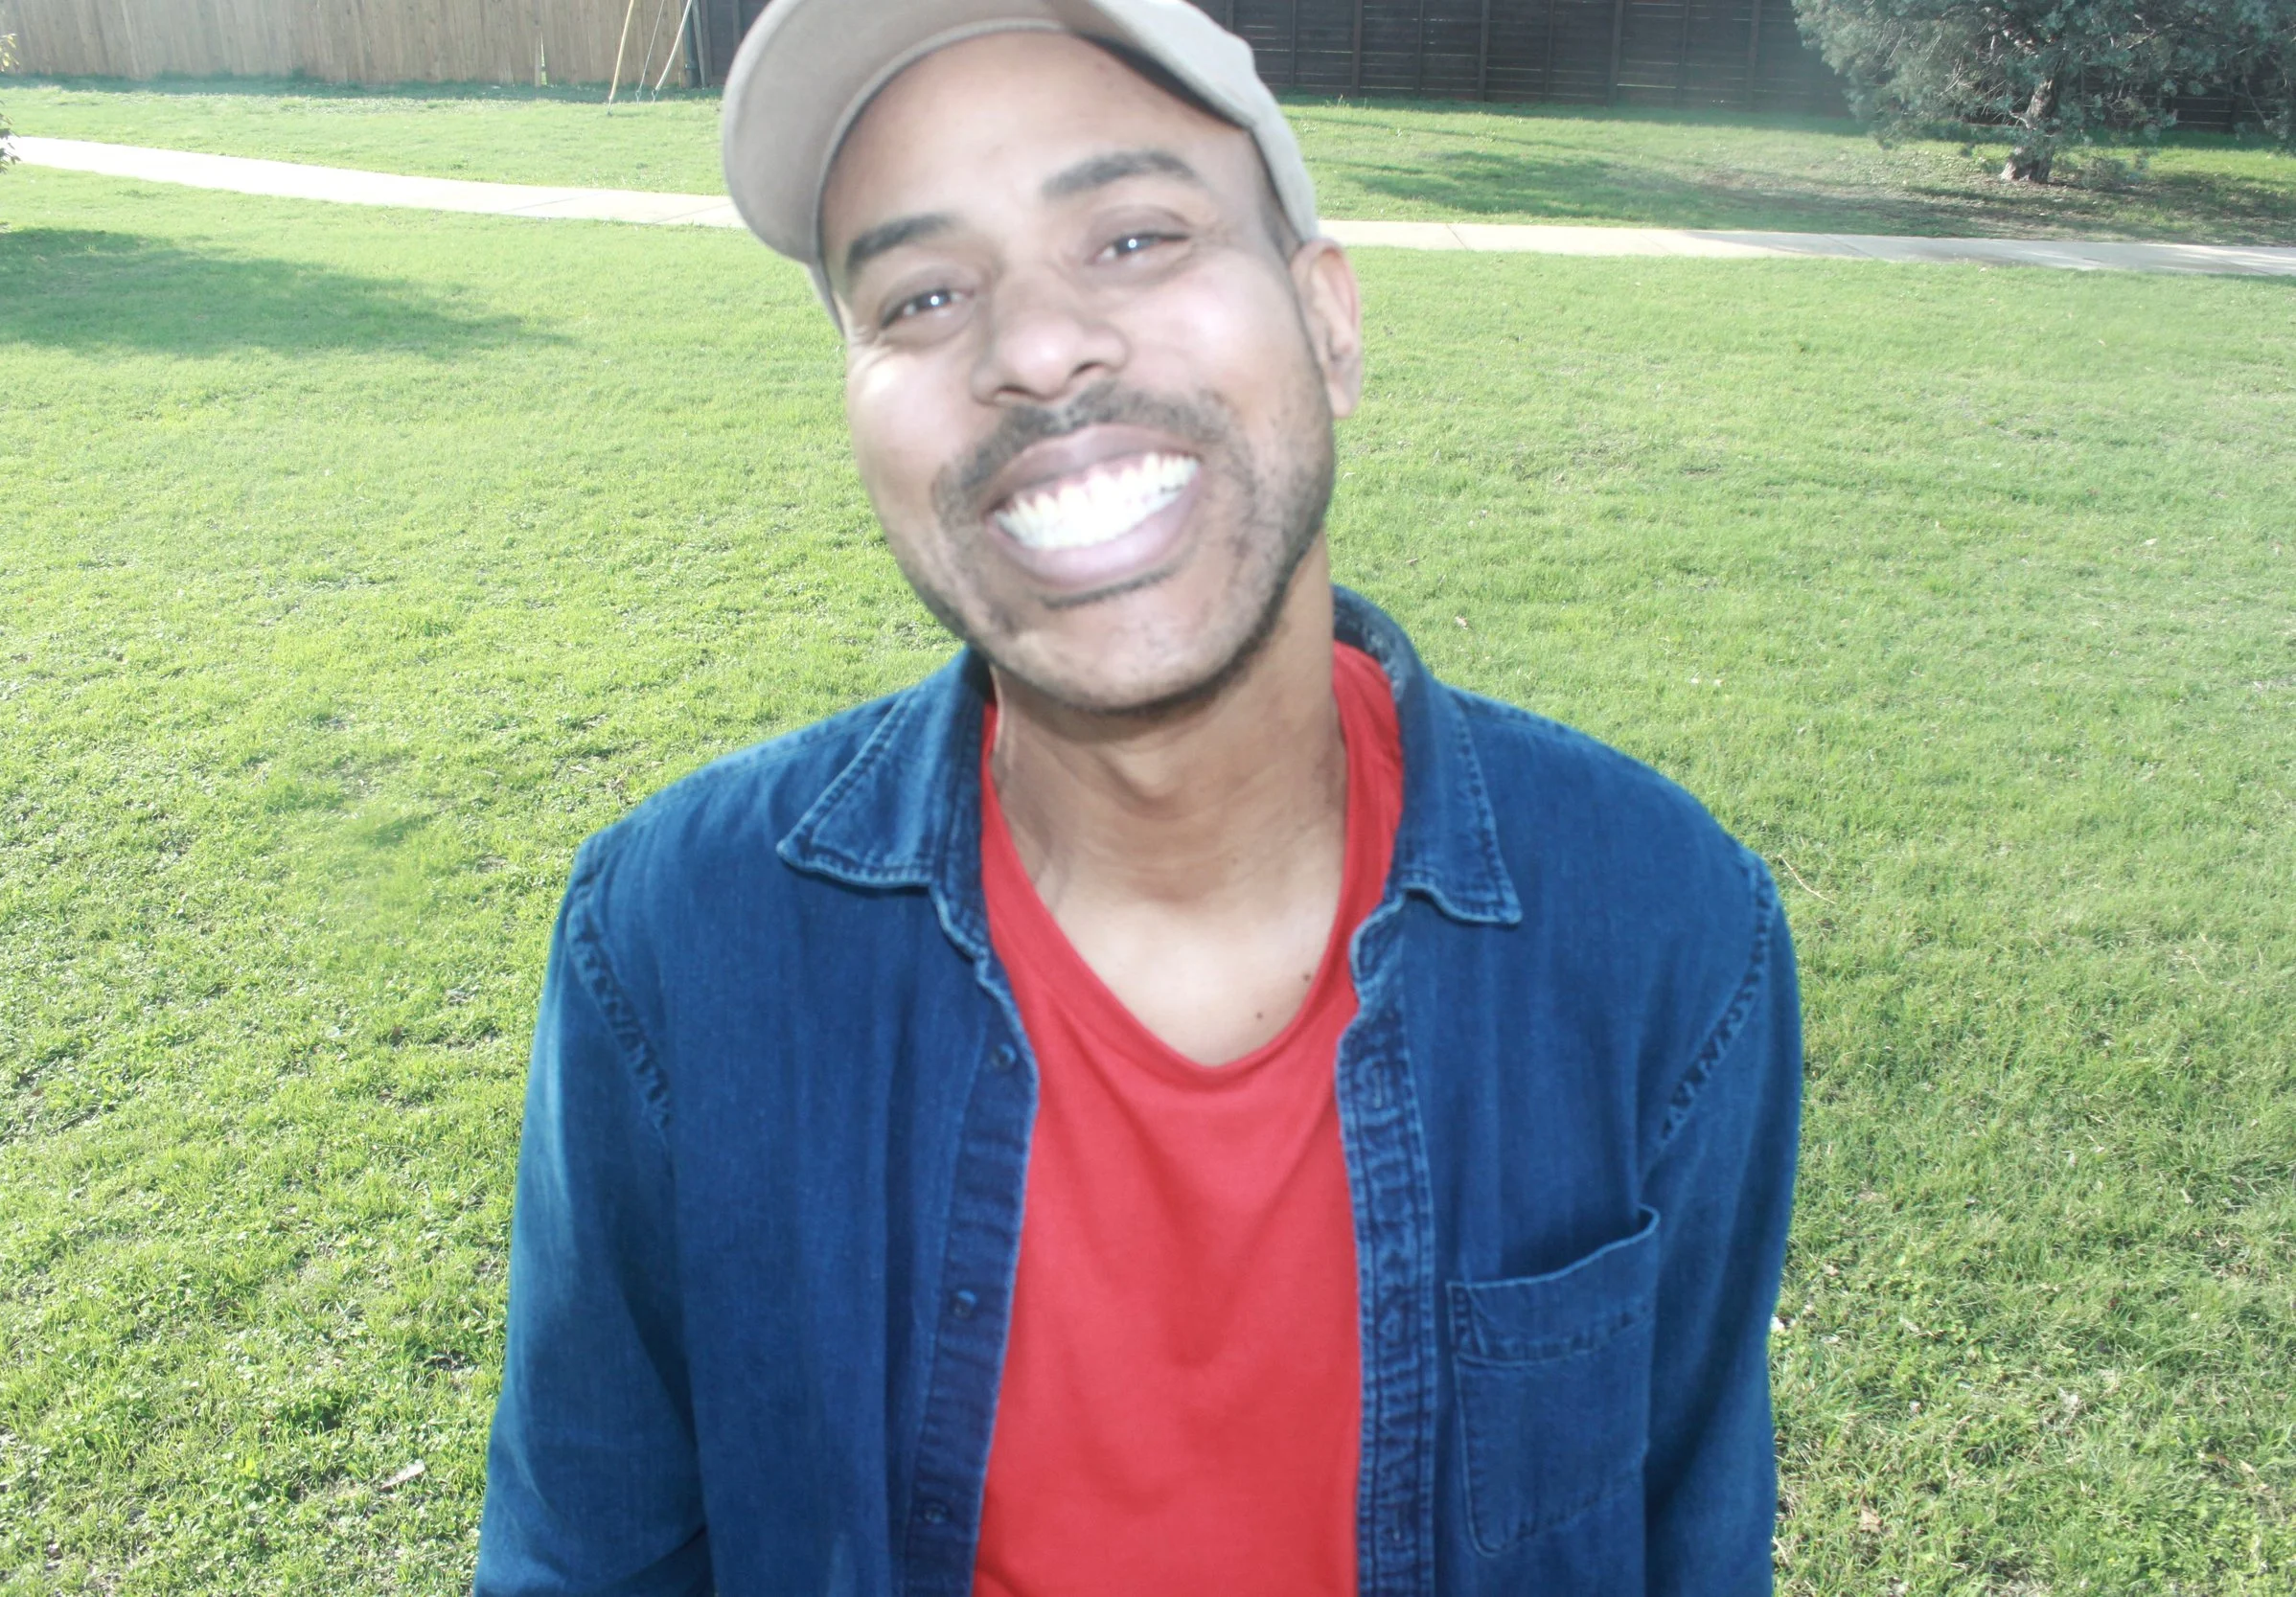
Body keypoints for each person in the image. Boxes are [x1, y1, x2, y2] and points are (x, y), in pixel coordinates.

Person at [473, 1, 1802, 1592]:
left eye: (1133, 238)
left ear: (1331, 323)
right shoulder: (676, 940)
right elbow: (586, 1553)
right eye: (925, 292)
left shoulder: (1663, 926)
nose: (1034, 349)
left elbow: (1688, 1542)